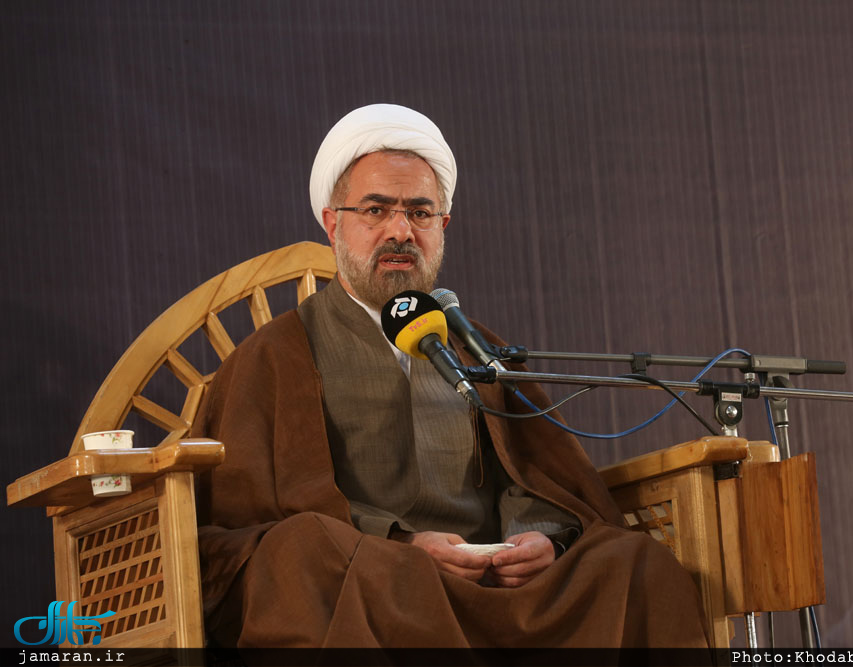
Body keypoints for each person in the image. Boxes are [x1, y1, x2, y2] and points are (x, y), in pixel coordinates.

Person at [193, 103, 708, 648]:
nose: (400, 231)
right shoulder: (276, 354)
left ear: (442, 227)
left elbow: (536, 476)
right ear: (333, 223)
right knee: (302, 553)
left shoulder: (474, 347)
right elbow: (237, 530)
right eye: (376, 210)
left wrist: (542, 541)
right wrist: (402, 545)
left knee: (632, 563)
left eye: (419, 213)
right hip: (373, 585)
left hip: (497, 586)